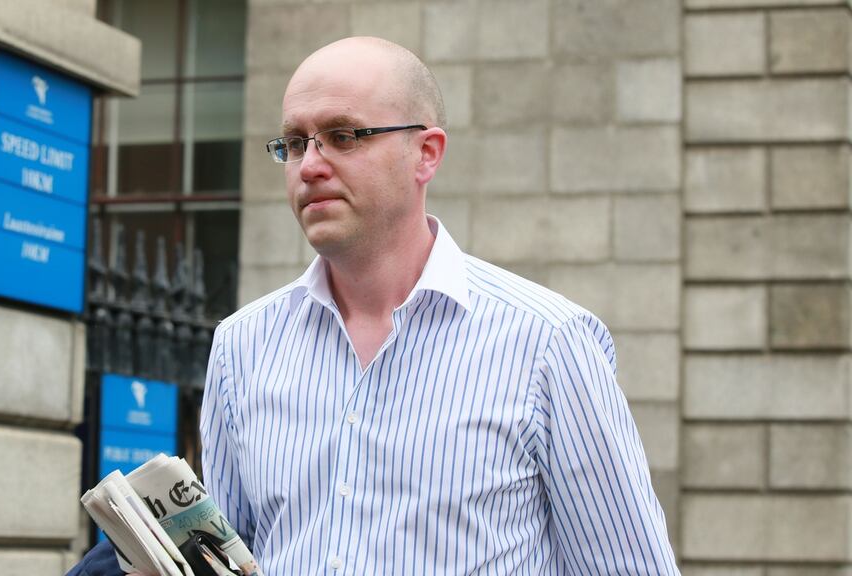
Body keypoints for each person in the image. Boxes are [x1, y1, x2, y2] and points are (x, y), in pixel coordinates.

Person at [200, 36, 680, 575]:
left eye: (342, 136)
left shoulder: (549, 343)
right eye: (294, 142)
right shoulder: (242, 346)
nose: (310, 166)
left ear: (425, 154)